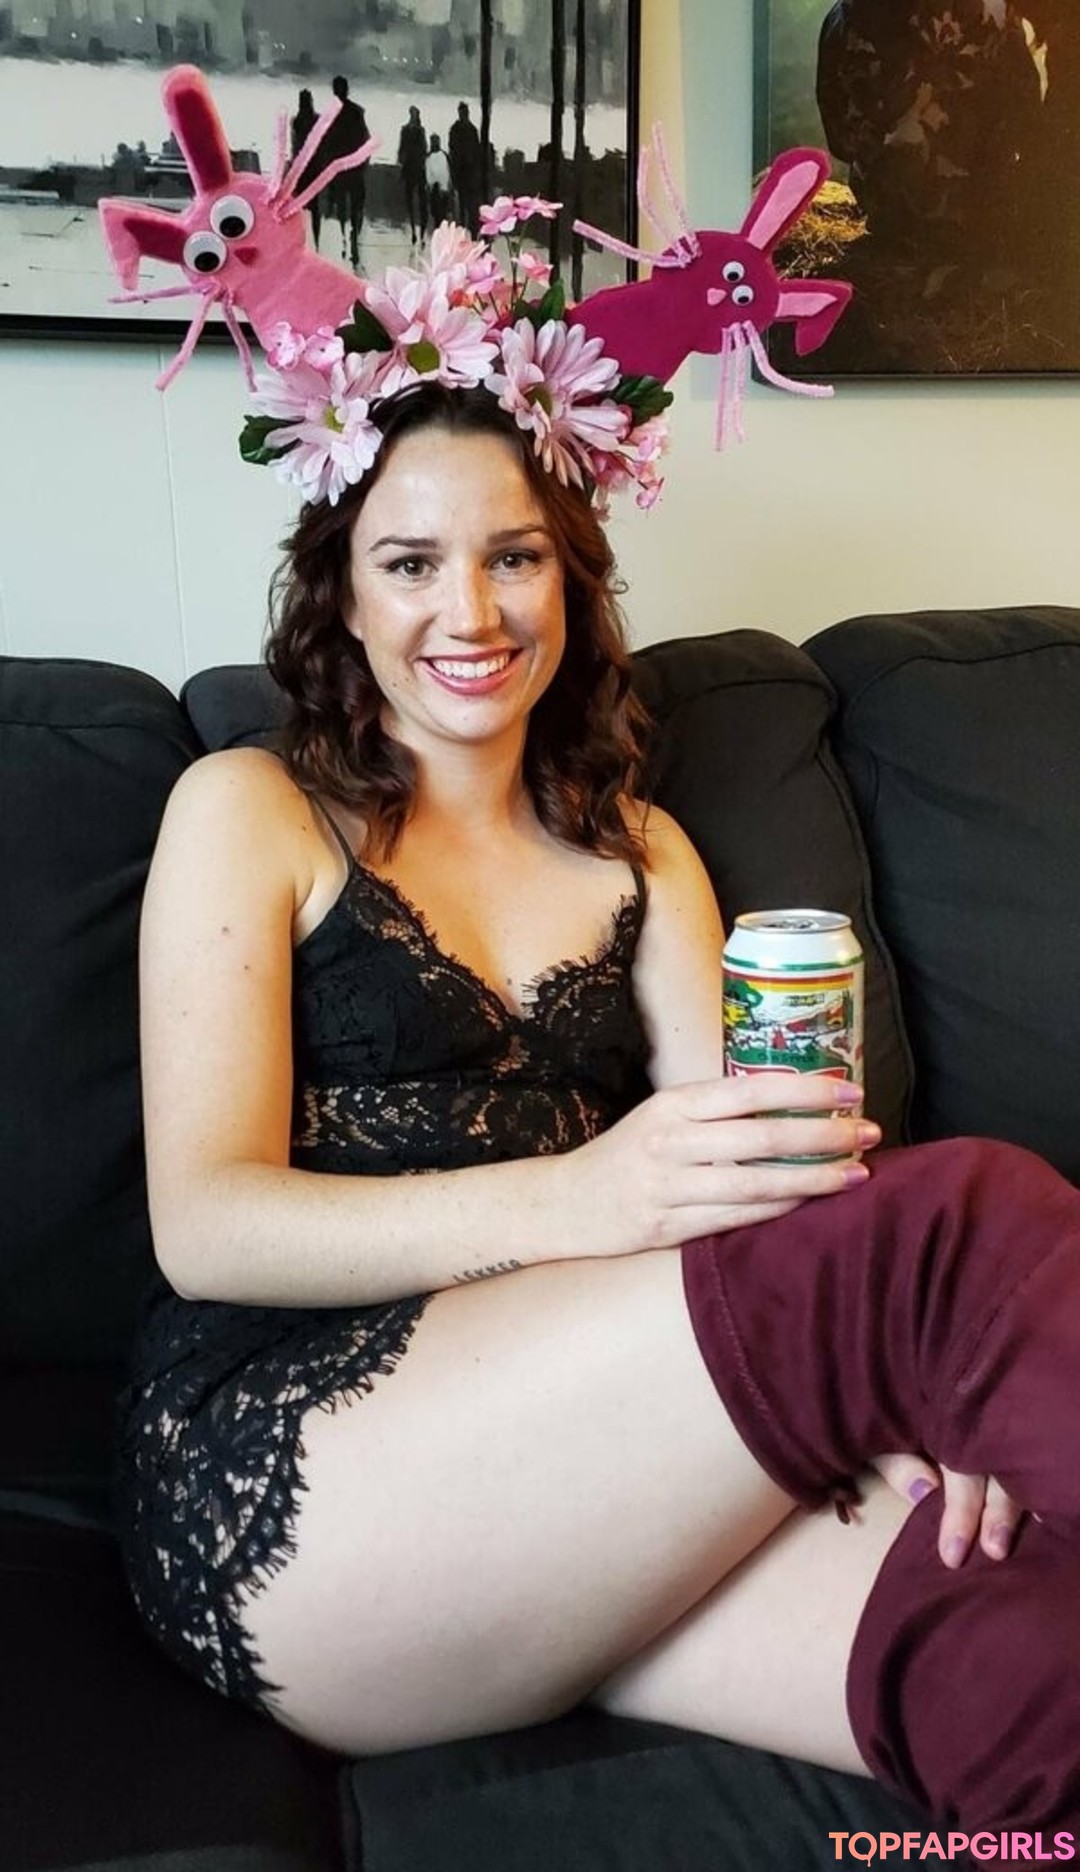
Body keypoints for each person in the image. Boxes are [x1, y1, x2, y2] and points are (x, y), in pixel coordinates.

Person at [113, 172, 1080, 1844]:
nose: (471, 613)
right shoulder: (249, 810)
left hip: (584, 1461)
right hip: (298, 1469)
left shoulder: (642, 852)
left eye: (514, 559)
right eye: (410, 562)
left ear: (569, 579)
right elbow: (205, 1227)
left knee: (1032, 1660)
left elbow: (769, 1198)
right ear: (343, 589)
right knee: (962, 1222)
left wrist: (940, 1400)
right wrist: (582, 1194)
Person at [322, 75, 370, 268]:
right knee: (356, 203)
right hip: (354, 165)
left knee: (342, 203)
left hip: (340, 166)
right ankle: (353, 234)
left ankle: (344, 233)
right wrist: (364, 160)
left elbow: (325, 143)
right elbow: (364, 137)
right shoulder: (356, 112)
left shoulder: (330, 114)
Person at [290, 87, 324, 252]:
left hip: (300, 167)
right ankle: (316, 240)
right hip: (314, 165)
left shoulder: (296, 121)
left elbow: (294, 145)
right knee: (315, 206)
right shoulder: (317, 119)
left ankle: (300, 240)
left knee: (299, 205)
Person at [448, 99, 483, 236]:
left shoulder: (470, 129)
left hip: (469, 172)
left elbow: (476, 151)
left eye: (465, 112)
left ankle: (470, 229)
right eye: (463, 112)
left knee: (469, 203)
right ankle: (464, 229)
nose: (464, 114)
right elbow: (453, 150)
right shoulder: (457, 129)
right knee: (463, 203)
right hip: (461, 171)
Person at [397, 104, 428, 246]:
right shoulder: (412, 130)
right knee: (412, 200)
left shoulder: (414, 130)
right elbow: (403, 148)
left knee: (416, 200)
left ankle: (418, 231)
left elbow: (421, 148)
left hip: (415, 167)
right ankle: (416, 231)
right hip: (413, 167)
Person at [425, 131, 452, 229]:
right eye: (433, 141)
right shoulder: (429, 157)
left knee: (443, 214)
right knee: (436, 213)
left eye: (436, 141)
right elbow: (428, 173)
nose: (434, 143)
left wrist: (448, 186)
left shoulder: (444, 155)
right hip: (434, 189)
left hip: (443, 189)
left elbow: (448, 172)